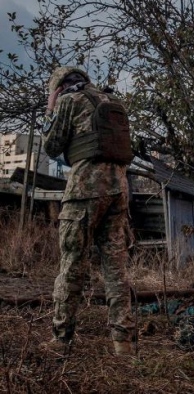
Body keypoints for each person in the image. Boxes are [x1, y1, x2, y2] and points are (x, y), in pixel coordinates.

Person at [40, 66, 136, 356]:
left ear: (58, 86)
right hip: (119, 189)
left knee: (72, 263)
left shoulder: (69, 101)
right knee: (115, 267)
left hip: (85, 190)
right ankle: (123, 343)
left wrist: (50, 108)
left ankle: (61, 338)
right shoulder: (110, 102)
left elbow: (52, 147)